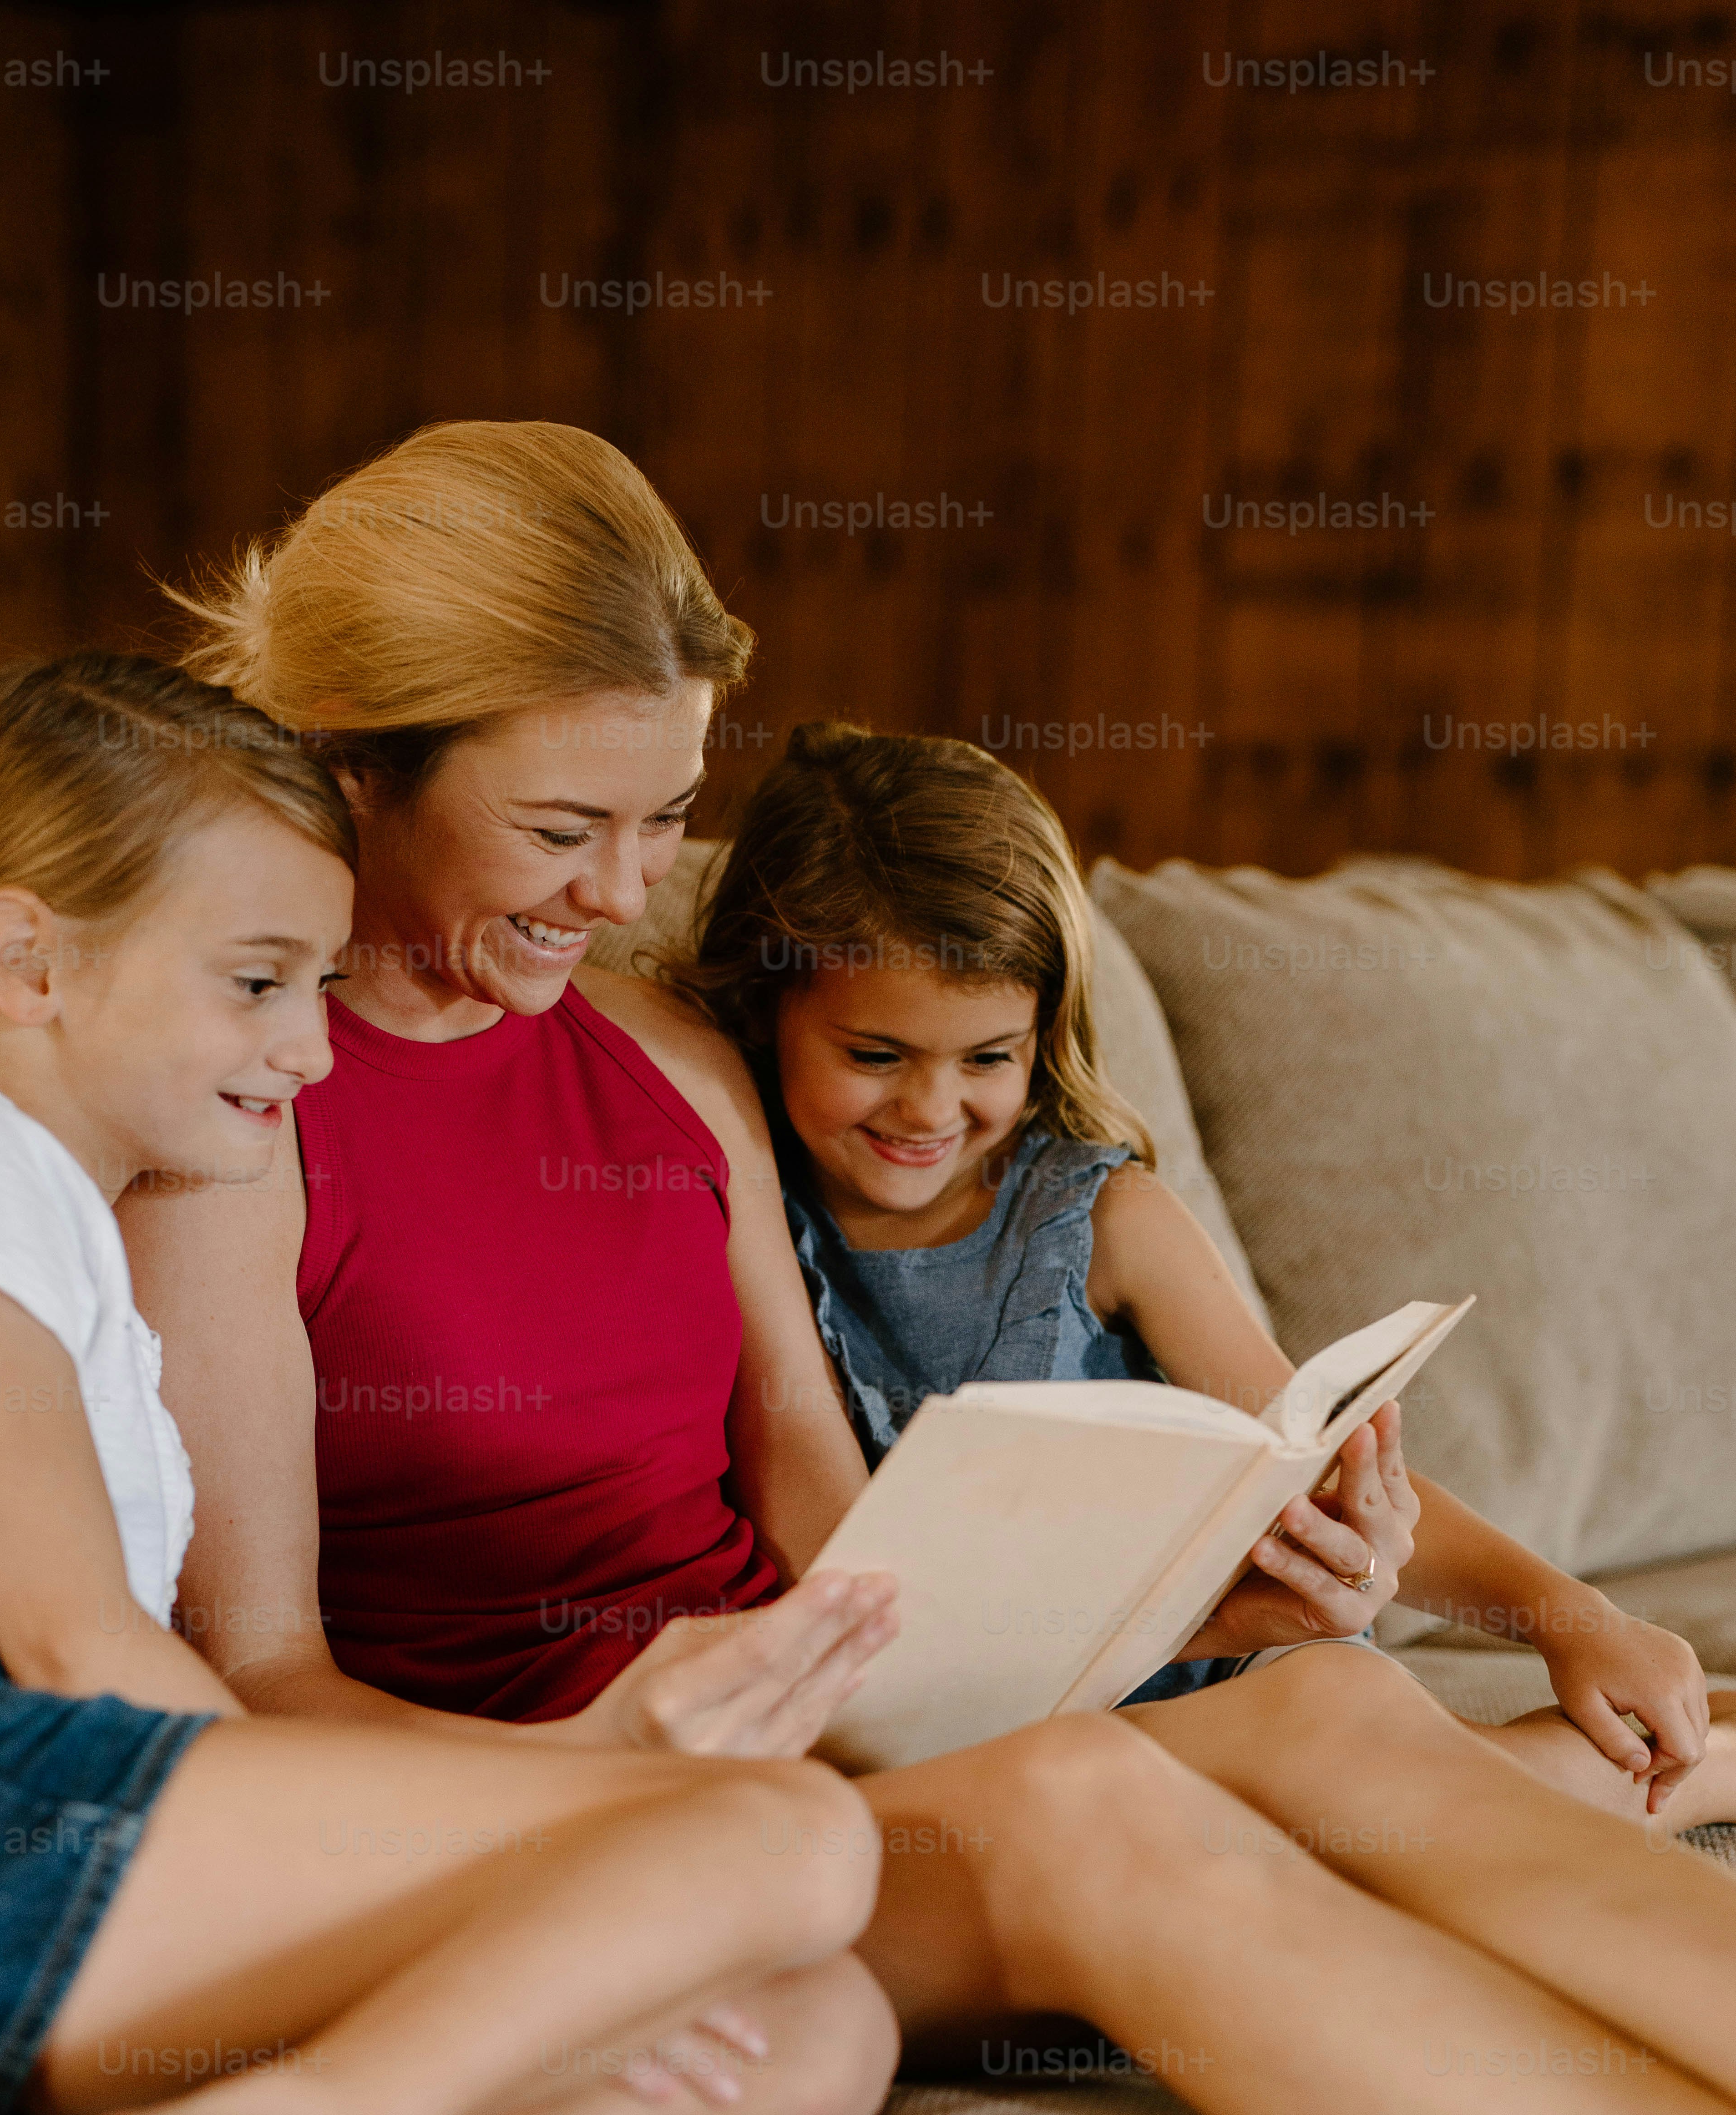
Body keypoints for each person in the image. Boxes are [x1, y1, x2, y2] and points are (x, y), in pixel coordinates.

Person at [127, 415, 1736, 2115]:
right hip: (582, 1836)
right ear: (346, 753)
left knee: (1330, 1714)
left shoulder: (671, 1063)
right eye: (564, 831)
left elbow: (824, 1506)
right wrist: (616, 1762)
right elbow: (257, 1683)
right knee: (1077, 1810)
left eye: (661, 821)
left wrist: (1156, 1592)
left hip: (828, 1746)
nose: (626, 885)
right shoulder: (231, 1117)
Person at [0, 650, 904, 2115]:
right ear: (26, 960)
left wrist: (591, 1804)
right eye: (254, 982)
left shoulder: (83, 1244)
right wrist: (581, 1827)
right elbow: (72, 1647)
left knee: (818, 2027)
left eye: (316, 981)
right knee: (783, 1841)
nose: (309, 1052)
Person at [669, 717, 1736, 1801]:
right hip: (983, 1716)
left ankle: (1695, 1765)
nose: (932, 1107)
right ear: (767, 1006)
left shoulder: (1104, 1220)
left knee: (1350, 1800)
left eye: (988, 1056)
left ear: (1043, 1034)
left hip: (1230, 1667)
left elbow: (1318, 1454)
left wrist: (1575, 1618)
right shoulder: (750, 1215)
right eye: (876, 1055)